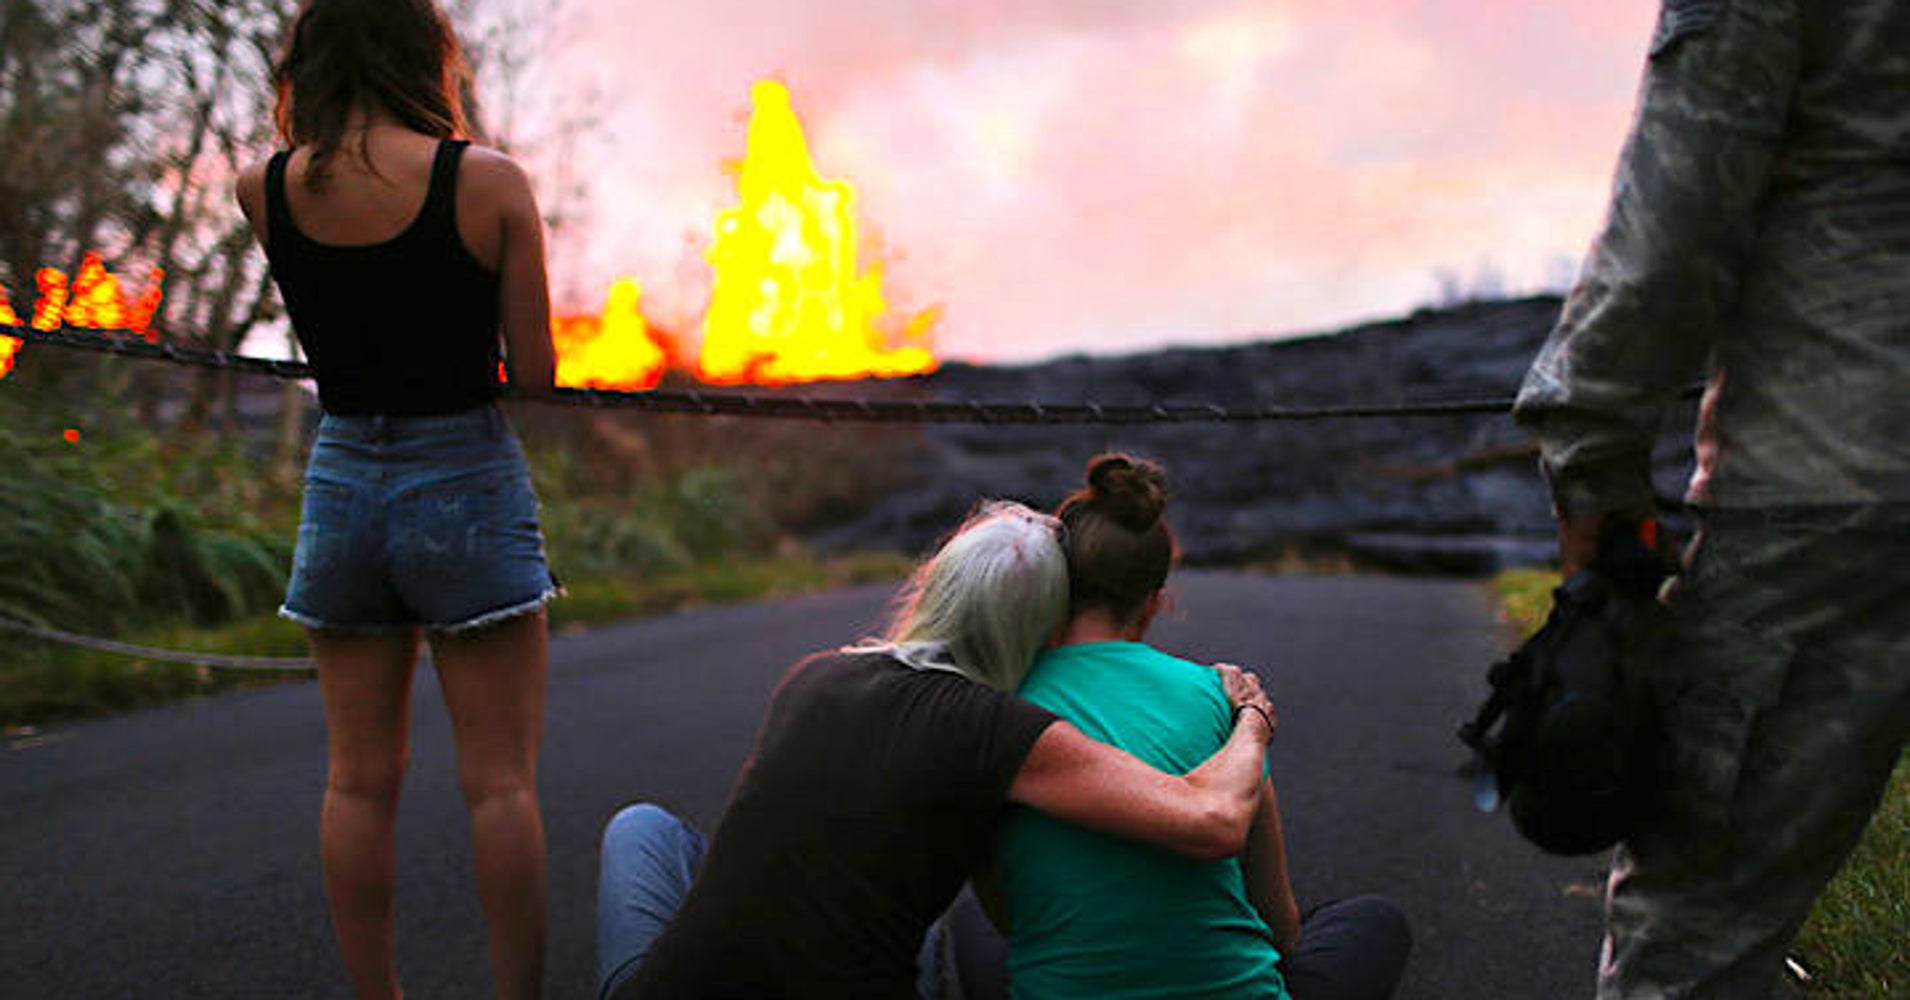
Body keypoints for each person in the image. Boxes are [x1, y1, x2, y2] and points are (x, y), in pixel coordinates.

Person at [1512, 2, 1909, 996]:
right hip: (1841, 490)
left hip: (1830, 498)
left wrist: (1592, 474)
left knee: (1696, 936)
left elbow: (1672, 220)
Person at [595, 501, 1280, 999]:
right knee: (938, 930)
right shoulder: (998, 728)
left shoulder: (814, 675)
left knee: (644, 829)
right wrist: (1247, 714)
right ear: (1041, 624)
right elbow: (1212, 820)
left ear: (937, 585)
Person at [234, 1, 560, 997]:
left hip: (341, 484)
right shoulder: (487, 182)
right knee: (498, 783)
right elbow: (538, 373)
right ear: (429, 54)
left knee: (356, 780)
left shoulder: (266, 187)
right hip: (463, 472)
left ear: (310, 59)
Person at [985, 453, 1409, 1000]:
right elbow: (1280, 928)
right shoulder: (1221, 698)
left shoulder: (999, 703)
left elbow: (1007, 917)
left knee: (976, 933)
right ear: (1156, 601)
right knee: (1374, 921)